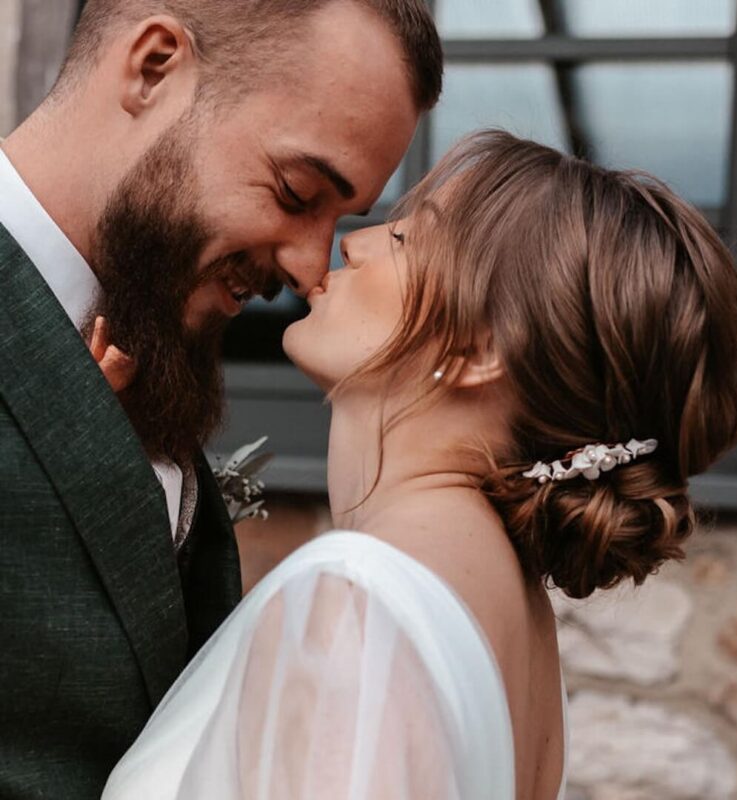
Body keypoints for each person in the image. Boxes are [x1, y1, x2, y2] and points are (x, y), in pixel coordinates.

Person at [100, 131, 737, 799]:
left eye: (409, 240)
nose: (352, 242)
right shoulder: (515, 634)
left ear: (478, 352)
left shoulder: (358, 599)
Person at [0, 1, 442, 796]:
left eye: (346, 220)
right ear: (154, 67)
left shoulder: (151, 339)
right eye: (297, 191)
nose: (312, 271)